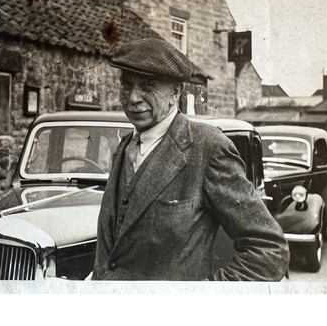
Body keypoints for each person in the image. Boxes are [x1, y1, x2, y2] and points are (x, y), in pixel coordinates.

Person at [92, 38, 289, 281]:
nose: (133, 98)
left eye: (147, 86)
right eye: (126, 85)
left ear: (175, 92)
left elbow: (270, 250)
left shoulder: (208, 148)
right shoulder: (125, 147)